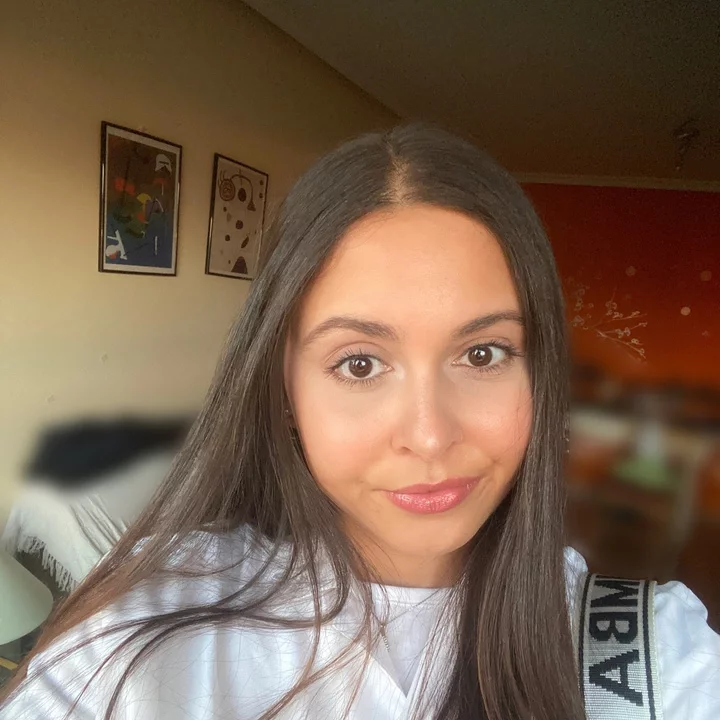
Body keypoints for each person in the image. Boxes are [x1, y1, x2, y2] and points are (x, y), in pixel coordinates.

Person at [1, 125, 718, 720]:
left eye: (483, 353)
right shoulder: (146, 634)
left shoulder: (650, 657)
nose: (429, 436)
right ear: (283, 389)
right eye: (360, 363)